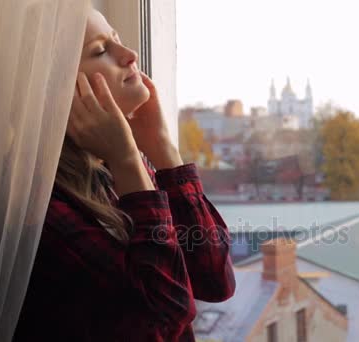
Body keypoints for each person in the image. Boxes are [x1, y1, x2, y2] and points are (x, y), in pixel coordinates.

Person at [13, 8, 236, 342]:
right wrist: (128, 157)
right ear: (56, 89)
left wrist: (163, 149)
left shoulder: (108, 172)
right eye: (101, 50)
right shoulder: (41, 208)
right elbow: (163, 317)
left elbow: (215, 278)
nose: (130, 55)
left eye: (116, 39)